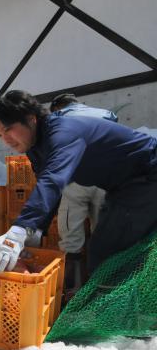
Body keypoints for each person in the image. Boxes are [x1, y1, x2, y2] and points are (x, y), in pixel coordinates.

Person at [0, 90, 157, 282]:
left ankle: (114, 307)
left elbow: (53, 179)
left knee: (107, 252)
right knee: (107, 248)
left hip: (147, 174)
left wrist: (20, 230)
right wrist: (35, 231)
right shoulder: (35, 147)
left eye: (8, 129)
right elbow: (50, 190)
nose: (6, 140)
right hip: (120, 186)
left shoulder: (62, 132)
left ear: (31, 118)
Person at [49, 94, 118, 296]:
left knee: (71, 237)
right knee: (105, 234)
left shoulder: (58, 117)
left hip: (76, 180)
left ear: (57, 108)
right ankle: (105, 290)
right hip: (107, 180)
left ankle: (74, 292)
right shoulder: (106, 114)